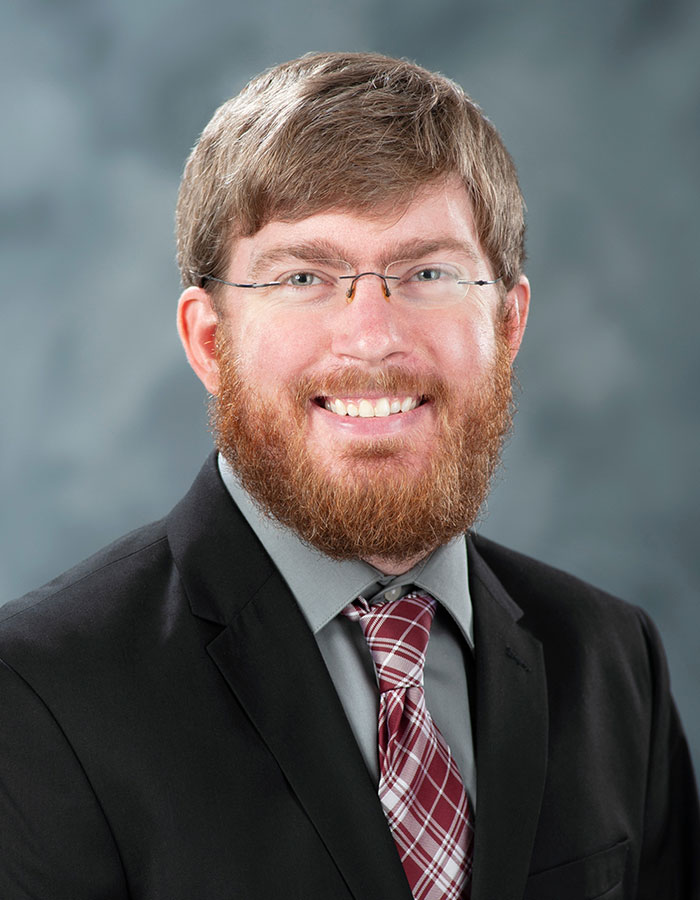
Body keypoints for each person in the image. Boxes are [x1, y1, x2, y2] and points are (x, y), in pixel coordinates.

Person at [1, 51, 697, 900]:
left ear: (508, 325)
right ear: (210, 342)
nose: (372, 338)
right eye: (305, 277)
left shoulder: (615, 661)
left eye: (427, 273)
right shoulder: (36, 695)